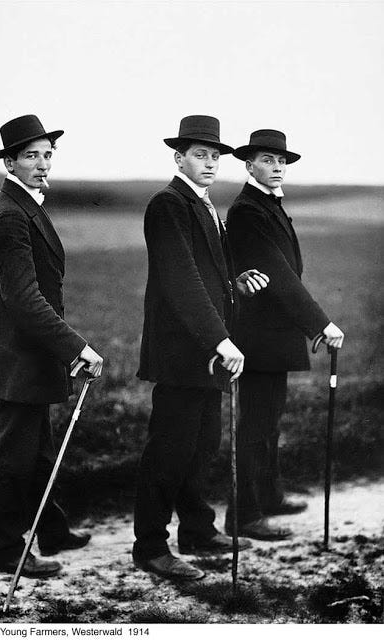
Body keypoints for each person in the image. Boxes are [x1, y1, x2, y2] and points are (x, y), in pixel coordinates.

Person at [133, 115, 270, 580]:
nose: (210, 162)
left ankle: (196, 528)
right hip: (182, 352)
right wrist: (221, 339)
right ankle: (150, 546)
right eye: (200, 154)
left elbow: (208, 274)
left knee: (203, 444)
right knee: (169, 449)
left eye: (214, 156)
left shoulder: (205, 205)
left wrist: (236, 282)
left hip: (207, 351)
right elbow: (182, 280)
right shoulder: (168, 205)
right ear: (179, 158)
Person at [0, 114, 103, 577]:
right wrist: (76, 347)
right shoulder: (10, 213)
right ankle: (7, 552)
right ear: (10, 161)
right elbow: (24, 298)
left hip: (32, 354)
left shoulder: (25, 204)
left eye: (48, 155)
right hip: (19, 356)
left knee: (40, 450)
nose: (43, 164)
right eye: (32, 156)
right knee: (12, 456)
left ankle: (51, 530)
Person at [225, 129, 344, 540]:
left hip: (274, 334)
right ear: (249, 165)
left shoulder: (266, 205)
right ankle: (244, 514)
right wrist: (320, 324)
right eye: (267, 160)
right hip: (258, 336)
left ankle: (270, 495)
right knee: (256, 425)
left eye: (281, 162)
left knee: (269, 420)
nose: (277, 168)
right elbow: (277, 274)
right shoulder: (247, 210)